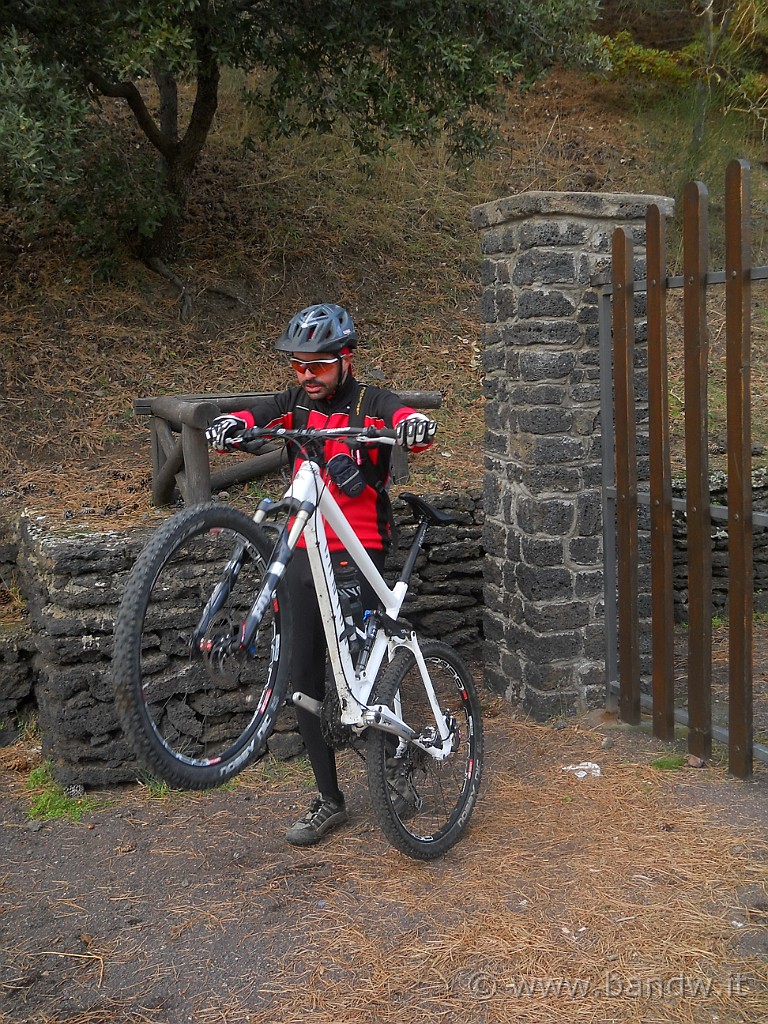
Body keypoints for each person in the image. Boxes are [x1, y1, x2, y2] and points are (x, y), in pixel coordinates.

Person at [205, 303, 436, 846]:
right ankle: (329, 798)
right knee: (302, 675)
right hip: (303, 553)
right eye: (298, 366)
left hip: (361, 551)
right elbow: (257, 416)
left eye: (319, 365)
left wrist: (415, 429)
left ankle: (397, 773)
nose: (307, 376)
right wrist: (229, 427)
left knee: (373, 663)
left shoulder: (370, 402)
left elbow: (406, 423)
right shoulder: (294, 403)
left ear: (345, 359)